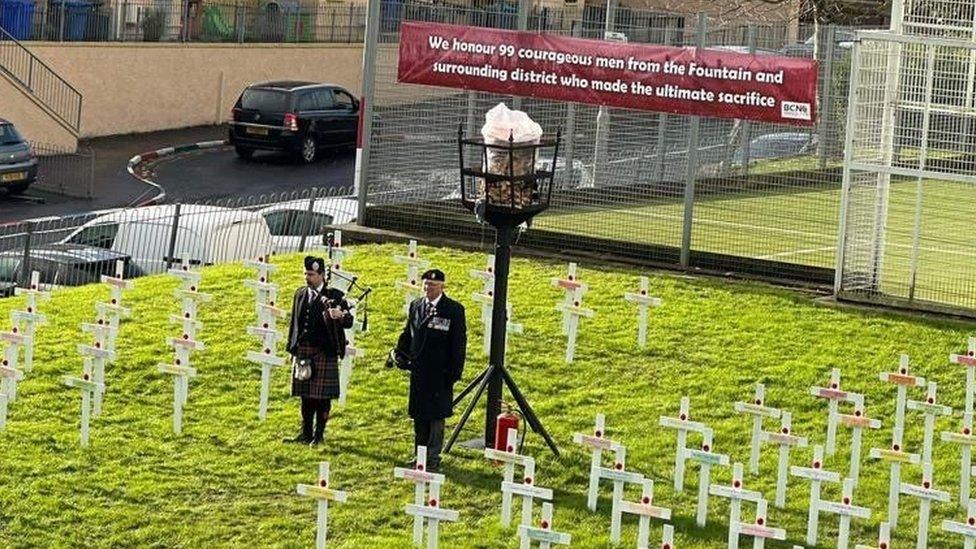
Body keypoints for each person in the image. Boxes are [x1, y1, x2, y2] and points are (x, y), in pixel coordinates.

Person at [393, 268, 467, 472]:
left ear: (442, 286)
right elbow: (409, 332)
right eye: (425, 285)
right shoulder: (416, 306)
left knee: (436, 417)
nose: (428, 289)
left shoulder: (453, 310)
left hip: (440, 373)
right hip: (419, 372)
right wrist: (400, 353)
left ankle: (433, 458)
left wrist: (454, 373)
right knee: (419, 415)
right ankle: (420, 456)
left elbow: (458, 344)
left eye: (432, 285)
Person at [284, 255, 353, 447]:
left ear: (322, 275)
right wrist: (292, 347)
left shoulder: (335, 296)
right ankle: (305, 433)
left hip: (324, 351)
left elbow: (349, 321)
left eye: (312, 274)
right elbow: (294, 324)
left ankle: (319, 435)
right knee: (306, 396)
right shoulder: (299, 294)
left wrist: (340, 316)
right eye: (306, 273)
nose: (308, 277)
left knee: (321, 397)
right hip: (303, 350)